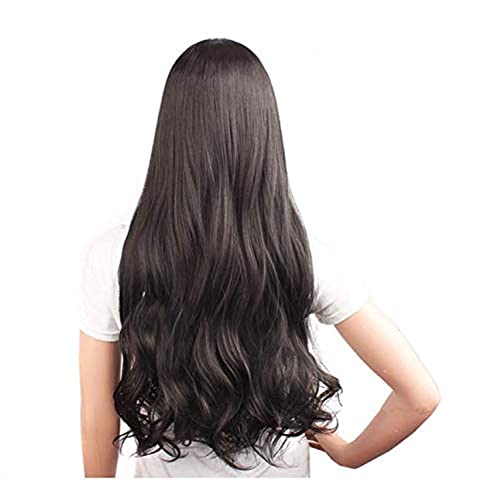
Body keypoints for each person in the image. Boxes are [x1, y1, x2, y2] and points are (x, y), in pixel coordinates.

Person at [79, 38, 441, 478]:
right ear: (262, 133)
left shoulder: (114, 258)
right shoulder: (304, 258)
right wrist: (348, 454)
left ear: (172, 135)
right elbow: (419, 396)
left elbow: (97, 413)